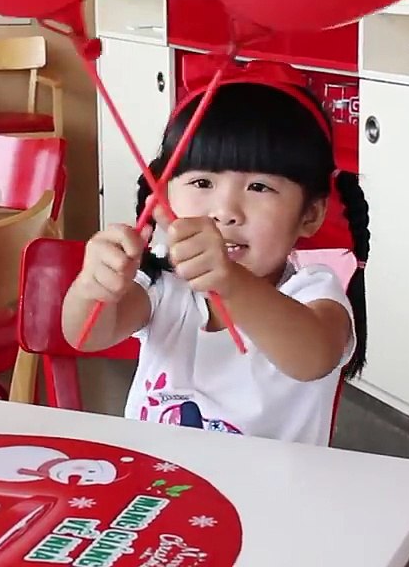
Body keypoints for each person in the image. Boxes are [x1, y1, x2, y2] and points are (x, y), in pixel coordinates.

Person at [61, 59, 370, 447]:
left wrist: (229, 281)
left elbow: (314, 358)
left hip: (273, 502)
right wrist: (94, 287)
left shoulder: (312, 291)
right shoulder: (163, 286)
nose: (225, 211)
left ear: (310, 215)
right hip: (161, 491)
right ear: (162, 200)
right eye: (202, 182)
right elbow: (86, 336)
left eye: (259, 187)